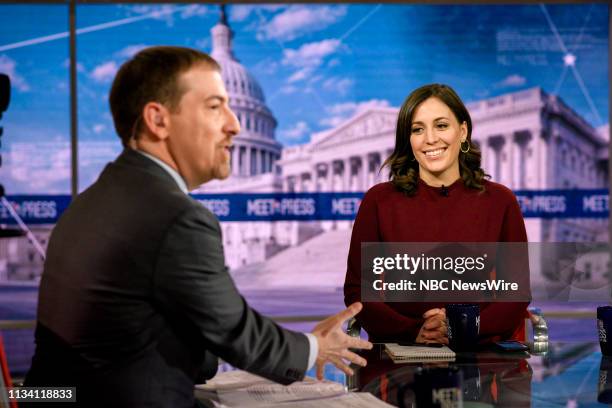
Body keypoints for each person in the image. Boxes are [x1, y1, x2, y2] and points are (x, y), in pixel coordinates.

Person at [24, 46, 371, 407]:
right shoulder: (174, 215)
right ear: (158, 121)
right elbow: (237, 333)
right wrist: (315, 347)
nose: (234, 124)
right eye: (214, 106)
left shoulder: (92, 202)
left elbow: (141, 330)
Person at [344, 83, 529, 345]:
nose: (430, 139)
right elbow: (358, 291)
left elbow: (517, 293)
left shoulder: (500, 200)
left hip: (479, 351)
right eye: (418, 129)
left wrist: (462, 327)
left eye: (441, 125)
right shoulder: (379, 200)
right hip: (401, 351)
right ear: (408, 139)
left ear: (463, 131)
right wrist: (413, 332)